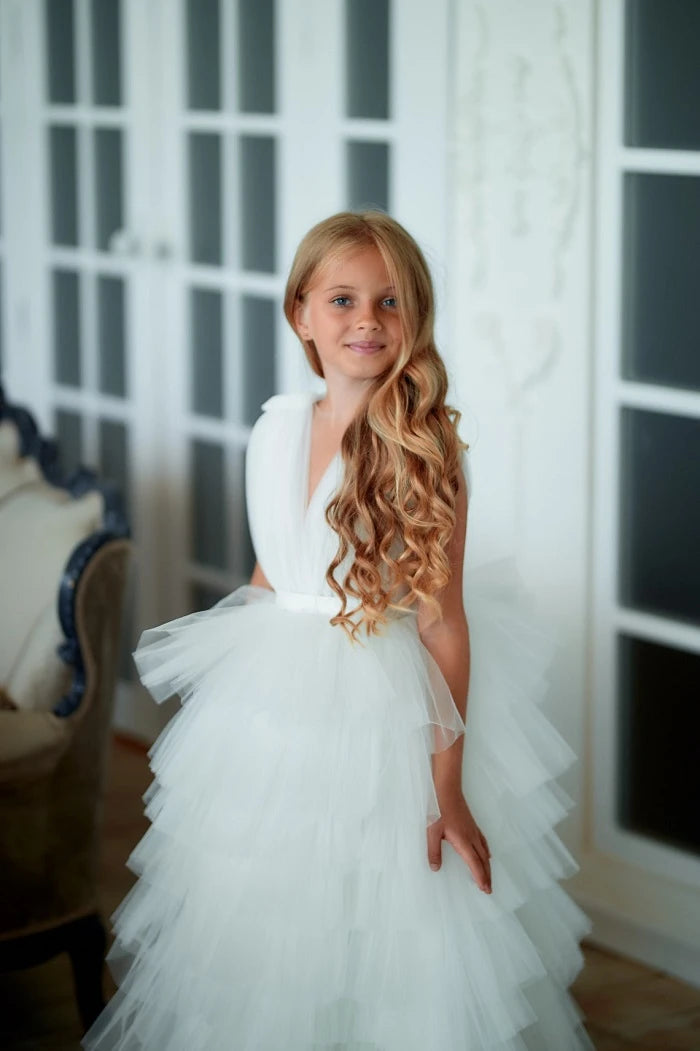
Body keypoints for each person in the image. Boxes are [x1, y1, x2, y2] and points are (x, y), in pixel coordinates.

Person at [82, 211, 594, 1050]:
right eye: (344, 299)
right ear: (301, 314)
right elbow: (272, 570)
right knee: (273, 914)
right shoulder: (276, 424)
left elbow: (444, 623)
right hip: (278, 702)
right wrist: (232, 709)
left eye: (390, 302)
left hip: (383, 703)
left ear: (414, 318)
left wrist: (449, 786)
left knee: (383, 913)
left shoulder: (423, 452)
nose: (367, 320)